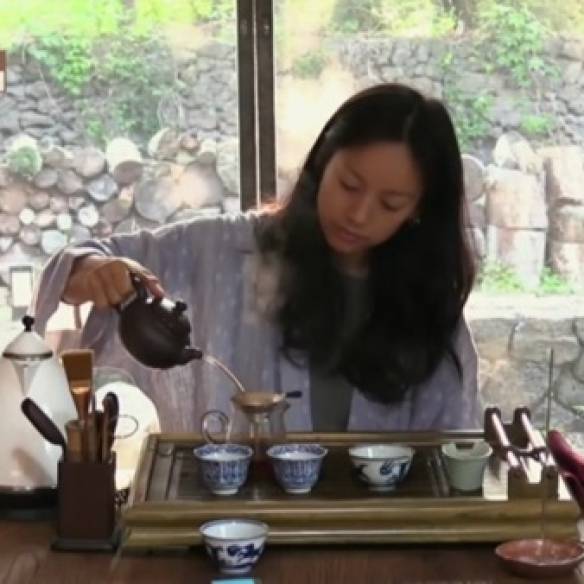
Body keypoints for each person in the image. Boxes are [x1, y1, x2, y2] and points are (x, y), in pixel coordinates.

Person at [32, 83, 481, 432]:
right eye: (349, 185)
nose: (359, 214)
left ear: (419, 210)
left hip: (382, 526)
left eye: (390, 203)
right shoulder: (226, 250)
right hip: (232, 520)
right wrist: (94, 271)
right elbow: (77, 264)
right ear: (323, 161)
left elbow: (453, 451)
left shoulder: (426, 304)